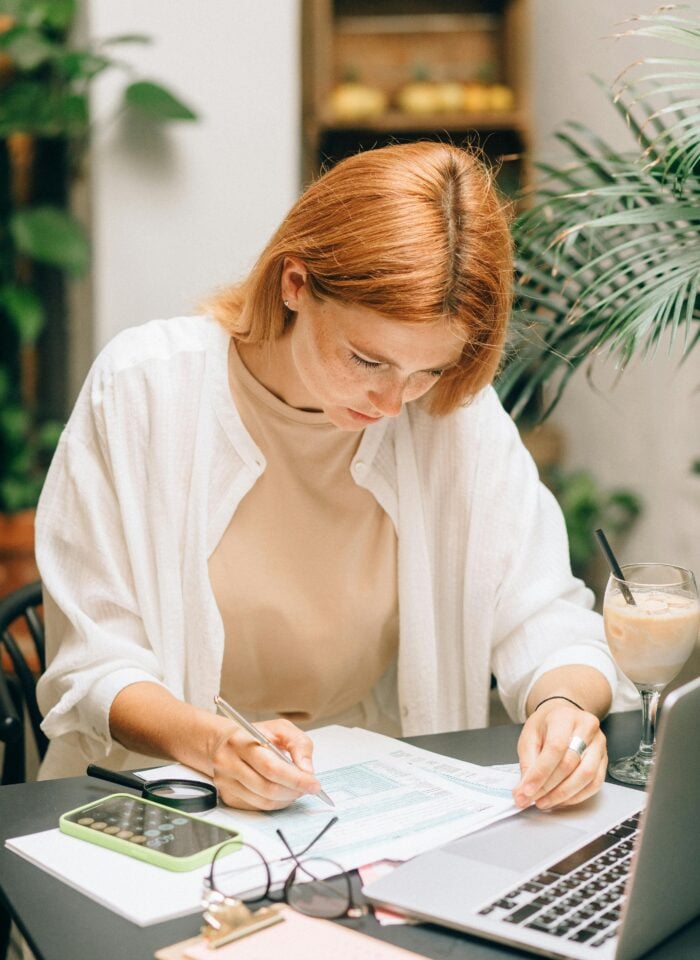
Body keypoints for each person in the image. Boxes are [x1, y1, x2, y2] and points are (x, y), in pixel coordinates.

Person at [35, 141, 634, 813]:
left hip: (361, 799)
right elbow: (94, 665)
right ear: (295, 283)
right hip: (158, 794)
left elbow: (544, 611)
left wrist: (563, 707)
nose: (391, 402)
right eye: (367, 359)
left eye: (428, 370)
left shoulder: (448, 415)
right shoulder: (143, 389)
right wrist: (214, 747)